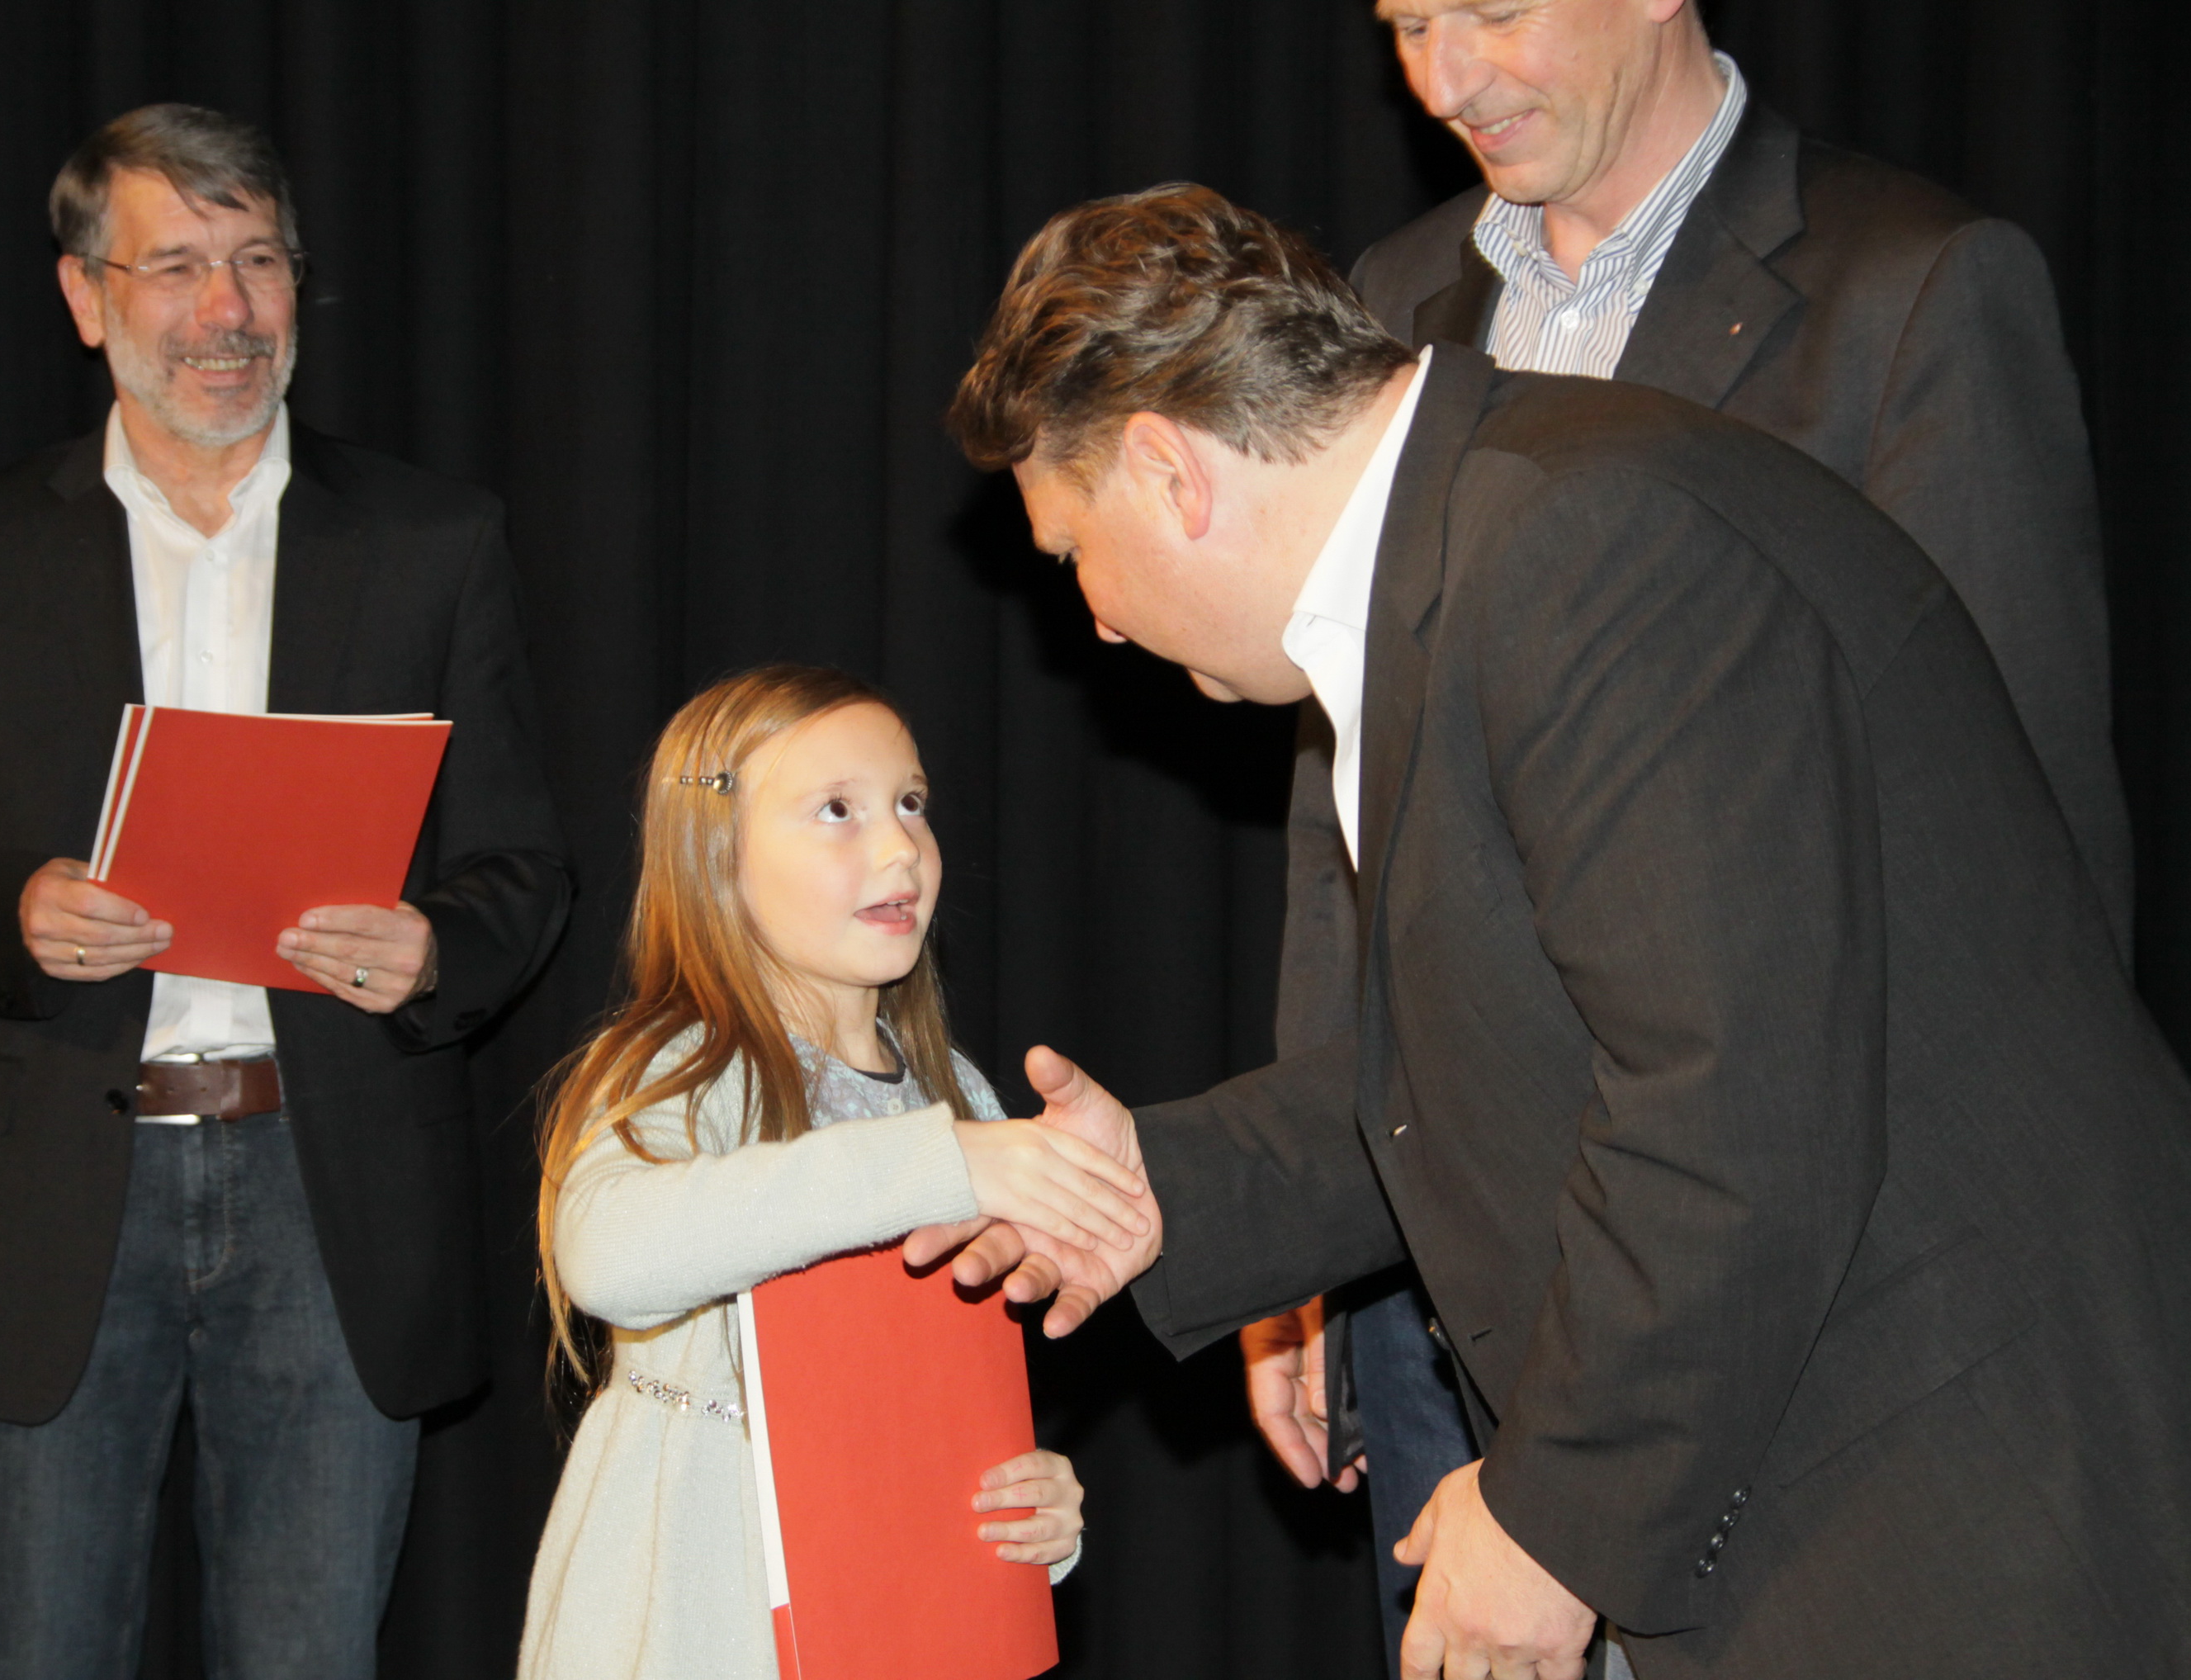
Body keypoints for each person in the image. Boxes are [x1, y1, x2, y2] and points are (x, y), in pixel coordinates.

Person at [918, 183, 2191, 1679]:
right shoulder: (1487, 538)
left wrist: (1552, 1520)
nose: (1098, 620)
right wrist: (1156, 1188)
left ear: (1167, 471)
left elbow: (1734, 1104)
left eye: (1073, 552)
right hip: (1847, 1482)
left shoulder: (1581, 543)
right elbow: (1501, 1058)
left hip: (1955, 1504)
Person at [1240, 2, 2135, 1663]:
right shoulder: (1389, 303)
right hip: (1453, 1302)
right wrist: (1304, 1225)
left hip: (1813, 1325)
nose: (1445, 80)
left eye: (1491, 10)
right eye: (1407, 23)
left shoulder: (1912, 294)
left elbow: (2018, 879)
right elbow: (1340, 830)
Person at [0, 105, 572, 1678]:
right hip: (51, 1201)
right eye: (175, 266)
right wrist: (10, 912)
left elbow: (523, 871)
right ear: (85, 297)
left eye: (259, 261)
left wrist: (433, 948)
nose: (227, 310)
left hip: (330, 1188)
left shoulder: (433, 541)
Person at [518, 665, 1129, 1679]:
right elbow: (611, 1256)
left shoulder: (956, 1095)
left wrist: (1031, 1516)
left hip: (889, 1621)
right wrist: (938, 1163)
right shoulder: (681, 1070)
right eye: (837, 810)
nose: (900, 847)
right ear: (717, 856)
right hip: (694, 1623)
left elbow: (938, 1403)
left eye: (910, 804)